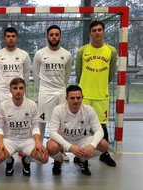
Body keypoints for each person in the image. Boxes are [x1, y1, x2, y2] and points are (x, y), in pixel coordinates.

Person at [75, 20, 117, 167]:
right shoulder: (82, 51)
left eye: (99, 30)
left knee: (102, 127)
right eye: (94, 30)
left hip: (101, 95)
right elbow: (79, 73)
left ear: (103, 31)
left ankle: (104, 155)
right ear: (90, 33)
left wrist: (100, 83)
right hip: (84, 95)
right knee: (81, 126)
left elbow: (111, 73)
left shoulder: (111, 51)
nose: (97, 32)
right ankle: (79, 154)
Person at [0, 77, 49, 177]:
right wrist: (0, 143)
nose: (18, 91)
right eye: (15, 88)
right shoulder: (3, 106)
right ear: (10, 89)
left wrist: (38, 142)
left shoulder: (32, 105)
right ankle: (9, 161)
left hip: (26, 139)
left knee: (44, 158)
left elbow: (35, 127)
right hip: (9, 139)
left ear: (24, 89)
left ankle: (26, 161)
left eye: (21, 88)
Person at [47, 85, 109, 176]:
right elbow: (52, 132)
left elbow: (99, 130)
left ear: (82, 98)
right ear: (66, 99)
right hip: (63, 140)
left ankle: (82, 160)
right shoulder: (58, 110)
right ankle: (58, 160)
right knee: (51, 147)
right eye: (72, 98)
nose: (75, 101)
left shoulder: (88, 110)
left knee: (104, 145)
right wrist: (70, 147)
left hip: (80, 140)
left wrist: (92, 145)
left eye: (78, 98)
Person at [0, 26, 31, 159]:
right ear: (4, 38)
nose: (11, 38)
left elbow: (25, 75)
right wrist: (4, 87)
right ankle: (0, 147)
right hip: (2, 92)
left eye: (13, 36)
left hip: (18, 92)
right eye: (8, 36)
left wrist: (18, 88)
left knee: (20, 119)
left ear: (16, 38)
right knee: (1, 121)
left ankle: (22, 147)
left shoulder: (24, 54)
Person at [33, 25, 72, 161]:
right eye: (51, 34)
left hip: (60, 92)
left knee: (60, 123)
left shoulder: (66, 54)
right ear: (47, 36)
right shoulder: (40, 54)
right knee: (41, 123)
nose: (54, 37)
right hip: (45, 92)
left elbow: (66, 75)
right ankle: (39, 150)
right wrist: (44, 88)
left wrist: (60, 87)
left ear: (60, 36)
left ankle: (60, 150)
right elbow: (35, 74)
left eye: (56, 34)